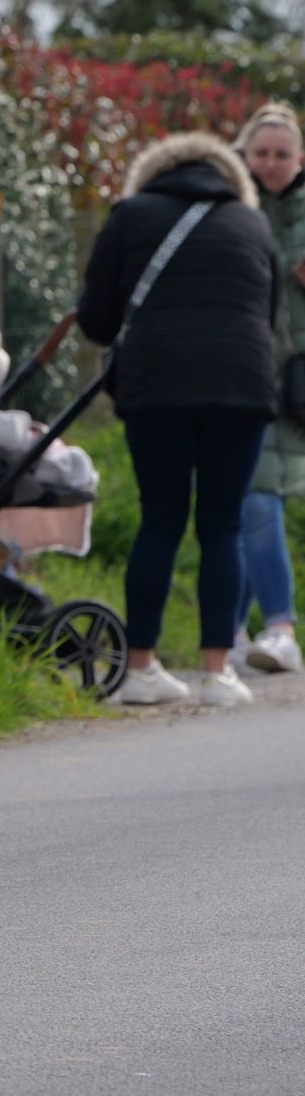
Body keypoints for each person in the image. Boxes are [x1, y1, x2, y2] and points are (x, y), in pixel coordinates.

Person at [75, 129, 284, 708]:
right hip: (240, 385)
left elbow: (96, 320)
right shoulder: (252, 224)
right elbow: (268, 313)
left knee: (160, 520)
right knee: (223, 525)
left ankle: (141, 668)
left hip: (157, 385)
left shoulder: (130, 215)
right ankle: (218, 673)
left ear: (152, 173)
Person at [237, 104, 305, 676]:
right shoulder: (230, 206)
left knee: (256, 497)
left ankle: (277, 627)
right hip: (240, 372)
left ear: (300, 158)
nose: (271, 163)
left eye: (282, 154)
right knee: (249, 498)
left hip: (297, 381)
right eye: (261, 153)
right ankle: (241, 629)